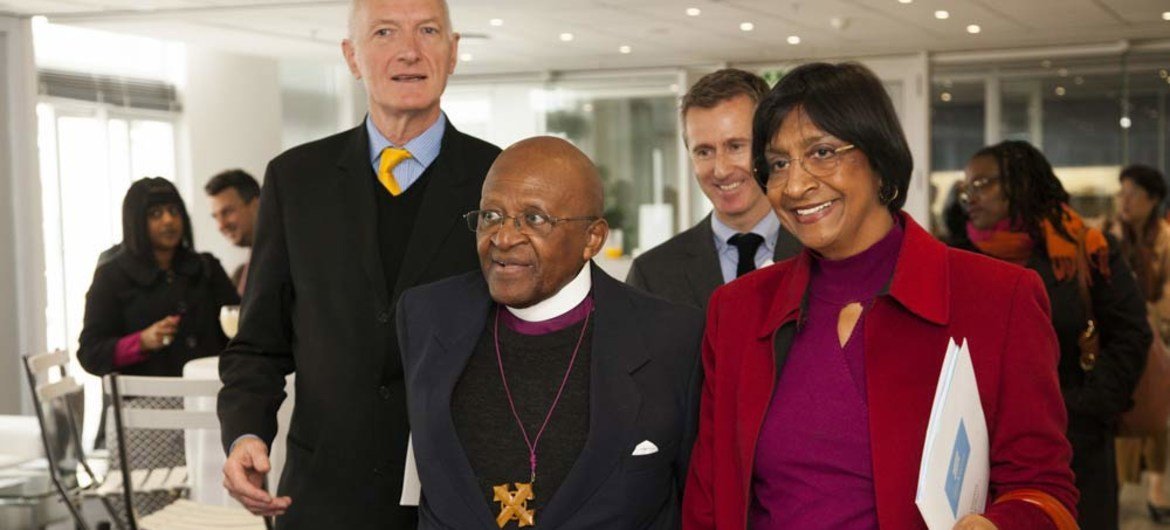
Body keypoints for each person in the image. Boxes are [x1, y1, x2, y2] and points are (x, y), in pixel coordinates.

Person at [683, 62, 1078, 530]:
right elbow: (709, 496)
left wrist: (999, 524)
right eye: (779, 163)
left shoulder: (997, 297)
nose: (795, 185)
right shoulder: (739, 310)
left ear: (879, 159)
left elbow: (1044, 489)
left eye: (823, 152)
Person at [216, 0, 500, 527]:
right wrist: (247, 434)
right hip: (323, 497)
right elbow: (258, 344)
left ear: (454, 51)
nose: (409, 51)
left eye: (429, 31)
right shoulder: (295, 180)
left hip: (463, 497)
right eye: (385, 32)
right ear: (352, 56)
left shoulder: (500, 179)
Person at [398, 136, 703, 529]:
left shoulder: (673, 337)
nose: (504, 238)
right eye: (491, 215)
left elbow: (696, 498)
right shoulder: (426, 316)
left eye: (534, 218)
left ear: (592, 238)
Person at [954, 140, 1150, 530]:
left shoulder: (1085, 249)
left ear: (1019, 184)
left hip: (1077, 440)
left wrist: (1088, 403)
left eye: (982, 184)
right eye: (966, 188)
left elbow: (1131, 334)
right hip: (983, 447)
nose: (969, 197)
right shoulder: (958, 255)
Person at [627, 69, 800, 308]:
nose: (720, 169)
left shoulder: (823, 254)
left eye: (736, 146)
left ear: (770, 146)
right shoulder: (653, 275)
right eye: (704, 152)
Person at [78, 176, 238, 377]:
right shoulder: (111, 275)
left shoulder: (206, 267)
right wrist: (142, 341)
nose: (168, 220)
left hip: (208, 397)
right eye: (155, 214)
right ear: (135, 222)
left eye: (174, 211)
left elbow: (239, 329)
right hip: (145, 403)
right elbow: (90, 353)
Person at [1108, 164, 1170, 521]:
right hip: (1118, 339)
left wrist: (1145, 313)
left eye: (1133, 193)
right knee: (1120, 411)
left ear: (1153, 199)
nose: (1125, 200)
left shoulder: (1163, 238)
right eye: (1122, 192)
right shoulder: (1107, 232)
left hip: (1157, 339)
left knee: (1158, 413)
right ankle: (1115, 486)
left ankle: (1157, 488)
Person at [205, 169, 260, 295]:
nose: (221, 225)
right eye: (216, 217)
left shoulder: (288, 261)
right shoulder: (240, 275)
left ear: (256, 205)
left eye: (227, 212)